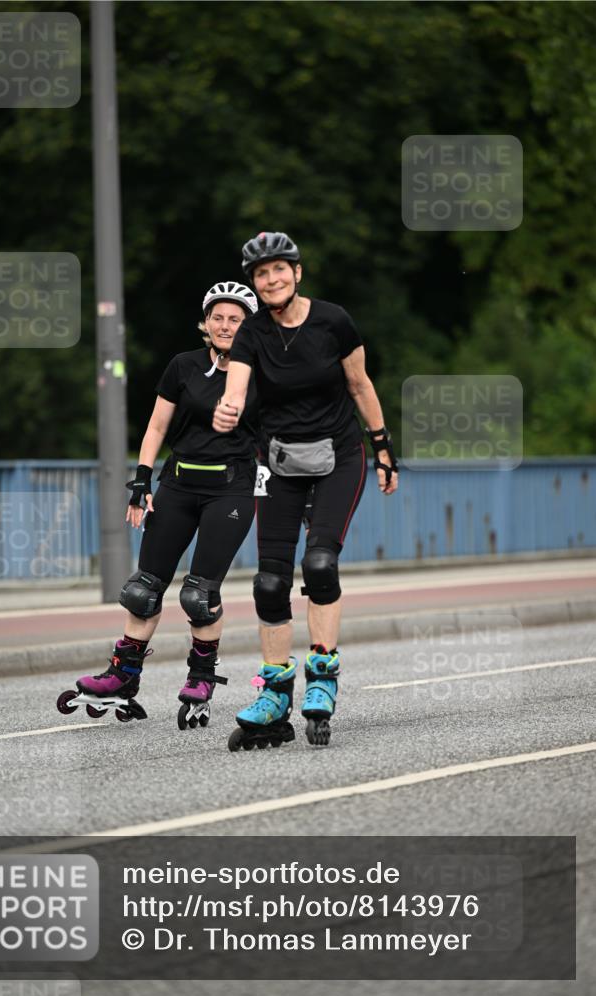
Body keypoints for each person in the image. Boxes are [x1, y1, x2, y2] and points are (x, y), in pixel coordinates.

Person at [213, 232, 398, 750]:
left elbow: (360, 386)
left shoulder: (333, 321)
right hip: (279, 462)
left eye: (279, 270)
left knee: (319, 564)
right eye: (261, 274)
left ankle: (321, 676)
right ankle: (274, 691)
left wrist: (383, 447)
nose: (271, 280)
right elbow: (237, 388)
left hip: (339, 456)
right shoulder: (250, 333)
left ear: (297, 273)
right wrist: (228, 408)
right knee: (269, 583)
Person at [57, 281, 259, 727]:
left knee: (199, 594)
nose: (225, 325)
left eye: (235, 319)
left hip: (232, 489)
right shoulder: (183, 366)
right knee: (143, 588)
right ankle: (123, 676)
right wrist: (141, 483)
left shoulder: (260, 372)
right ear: (205, 323)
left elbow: (278, 433)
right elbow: (155, 427)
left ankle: (201, 677)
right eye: (218, 317)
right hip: (178, 484)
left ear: (249, 327)